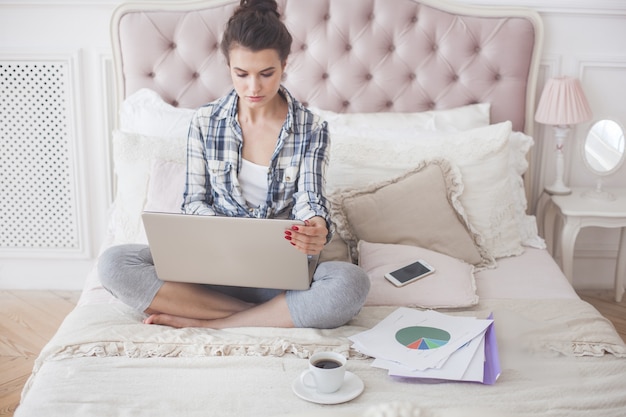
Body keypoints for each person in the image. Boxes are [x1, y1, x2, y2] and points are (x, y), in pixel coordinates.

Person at [98, 0, 370, 330]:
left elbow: (310, 199)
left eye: (266, 74)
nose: (253, 88)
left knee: (350, 283)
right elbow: (194, 202)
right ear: (228, 66)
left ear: (284, 64)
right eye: (241, 74)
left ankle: (211, 321)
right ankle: (265, 315)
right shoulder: (204, 123)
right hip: (213, 271)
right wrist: (224, 237)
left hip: (279, 276)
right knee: (114, 264)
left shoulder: (312, 129)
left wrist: (316, 225)